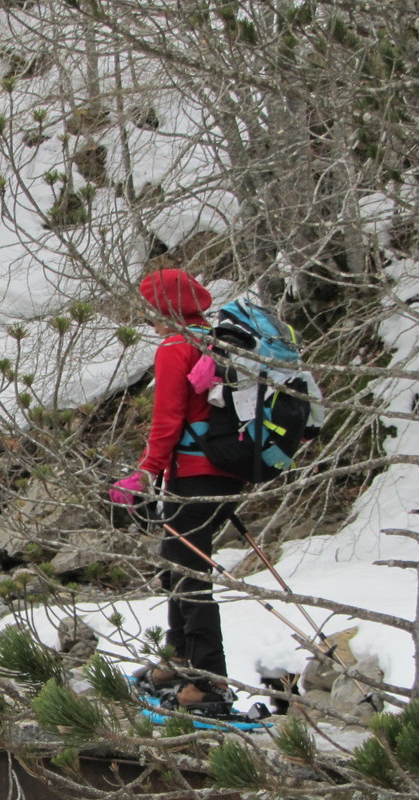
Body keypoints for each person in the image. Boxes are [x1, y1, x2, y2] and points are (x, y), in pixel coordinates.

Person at [109, 268, 245, 712]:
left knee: (190, 577)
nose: (148, 317)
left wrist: (144, 474)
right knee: (177, 563)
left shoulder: (176, 347)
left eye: (151, 307)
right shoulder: (215, 340)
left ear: (167, 307)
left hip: (194, 475)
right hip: (229, 471)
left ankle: (209, 682)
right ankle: (178, 657)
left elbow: (167, 421)